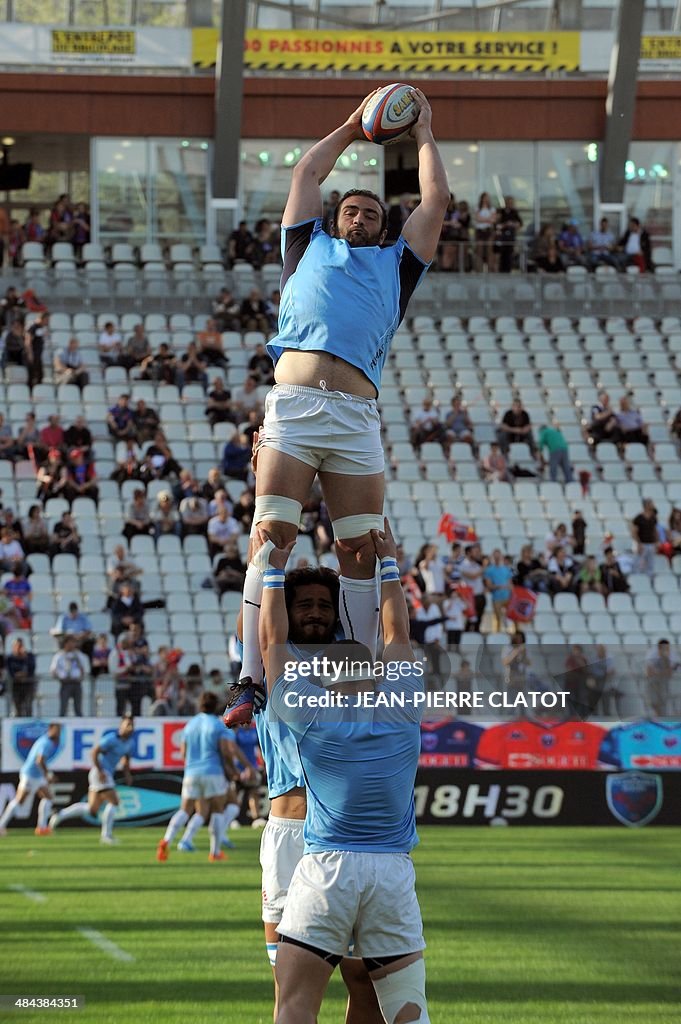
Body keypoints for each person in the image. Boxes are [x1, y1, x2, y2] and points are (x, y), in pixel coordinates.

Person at [225, 85, 449, 727]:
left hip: (355, 420)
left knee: (359, 549)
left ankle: (353, 678)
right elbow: (306, 171)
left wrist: (423, 132)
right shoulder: (304, 248)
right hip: (293, 407)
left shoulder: (399, 268)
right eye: (350, 211)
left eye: (372, 215)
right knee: (271, 539)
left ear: (384, 229)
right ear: (333, 219)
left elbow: (436, 201)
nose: (359, 219)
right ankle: (248, 680)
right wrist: (356, 124)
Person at [259, 519, 430, 1024]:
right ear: (373, 674)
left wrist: (271, 572)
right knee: (404, 1009)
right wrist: (391, 566)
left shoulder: (314, 718)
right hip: (393, 872)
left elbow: (272, 643)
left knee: (293, 1003)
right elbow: (398, 632)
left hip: (328, 864)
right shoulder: (404, 706)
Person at [156, 691, 250, 862]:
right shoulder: (217, 725)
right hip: (213, 771)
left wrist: (190, 766)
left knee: (185, 810)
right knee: (217, 810)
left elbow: (183, 751)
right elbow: (226, 750)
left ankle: (166, 840)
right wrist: (230, 769)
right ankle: (215, 852)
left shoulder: (190, 725)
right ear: (215, 707)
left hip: (191, 772)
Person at [49, 715, 135, 845]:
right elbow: (94, 752)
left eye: (131, 725)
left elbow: (126, 758)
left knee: (92, 809)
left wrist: (127, 774)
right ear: (121, 726)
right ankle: (106, 836)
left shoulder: (129, 742)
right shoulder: (111, 738)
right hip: (100, 772)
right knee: (114, 801)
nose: (130, 727)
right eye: (127, 724)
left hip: (105, 774)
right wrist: (100, 771)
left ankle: (60, 815)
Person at [0, 723, 61, 837]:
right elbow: (39, 760)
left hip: (37, 776)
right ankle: (1, 825)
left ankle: (42, 828)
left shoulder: (45, 740)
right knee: (19, 800)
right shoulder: (46, 743)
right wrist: (48, 775)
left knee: (48, 797)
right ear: (50, 729)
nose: (58, 733)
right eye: (56, 730)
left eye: (59, 731)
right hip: (30, 774)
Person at [50, 634, 88, 716]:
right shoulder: (59, 656)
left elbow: (83, 669)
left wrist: (81, 677)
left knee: (78, 708)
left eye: (73, 643)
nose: (71, 645)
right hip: (65, 683)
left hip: (76, 683)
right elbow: (53, 670)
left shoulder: (78, 655)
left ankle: (80, 725)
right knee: (63, 708)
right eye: (69, 642)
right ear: (65, 643)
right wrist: (60, 677)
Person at [644, 639, 680, 717]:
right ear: (659, 649)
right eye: (664, 649)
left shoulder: (672, 656)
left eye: (667, 649)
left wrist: (660, 672)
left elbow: (670, 673)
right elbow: (648, 672)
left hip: (669, 680)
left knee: (667, 701)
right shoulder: (652, 655)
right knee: (653, 701)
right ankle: (659, 715)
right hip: (654, 681)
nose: (666, 651)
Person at [483, 548, 513, 632]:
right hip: (496, 597)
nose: (497, 557)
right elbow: (489, 585)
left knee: (510, 617)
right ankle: (497, 634)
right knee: (497, 618)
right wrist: (499, 587)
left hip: (507, 596)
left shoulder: (506, 569)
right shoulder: (489, 570)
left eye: (498, 556)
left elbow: (510, 584)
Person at [6, 637, 38, 717]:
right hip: (16, 686)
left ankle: (29, 724)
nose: (19, 647)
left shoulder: (29, 656)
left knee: (28, 707)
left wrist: (25, 658)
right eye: (17, 646)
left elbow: (32, 669)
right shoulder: (10, 658)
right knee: (17, 708)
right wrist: (17, 675)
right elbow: (10, 671)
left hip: (28, 685)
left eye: (21, 645)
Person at [631, 498, 658, 577]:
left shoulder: (653, 517)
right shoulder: (638, 518)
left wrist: (656, 542)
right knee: (638, 564)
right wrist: (638, 544)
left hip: (651, 544)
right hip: (642, 544)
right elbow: (634, 532)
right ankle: (637, 579)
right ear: (646, 505)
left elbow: (654, 530)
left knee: (650, 565)